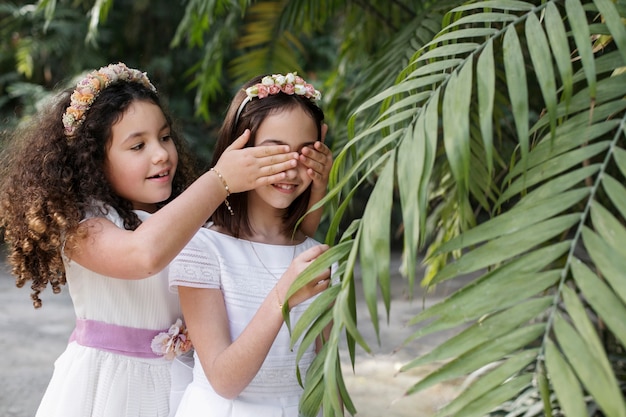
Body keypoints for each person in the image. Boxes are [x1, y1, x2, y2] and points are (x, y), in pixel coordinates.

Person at [0, 63, 332, 417]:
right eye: (138, 145)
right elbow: (143, 255)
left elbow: (280, 246)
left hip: (178, 384)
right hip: (109, 387)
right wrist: (220, 179)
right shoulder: (83, 226)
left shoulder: (183, 214)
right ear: (93, 160)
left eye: (165, 137)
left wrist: (316, 190)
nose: (160, 154)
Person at [169, 72, 335, 417]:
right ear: (240, 151)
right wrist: (282, 296)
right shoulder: (203, 249)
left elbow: (326, 373)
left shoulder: (315, 254)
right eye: (274, 153)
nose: (290, 169)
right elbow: (224, 380)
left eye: (304, 153)